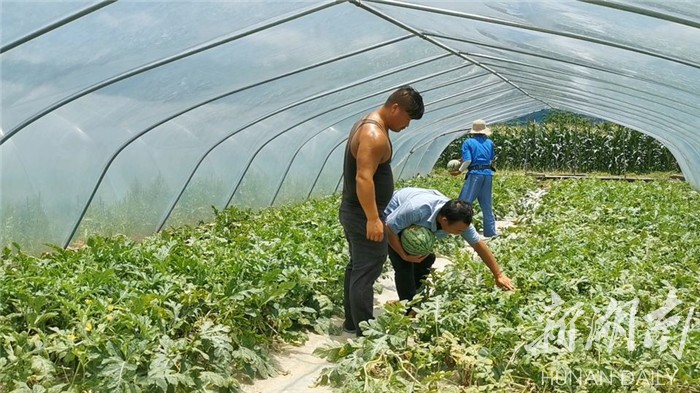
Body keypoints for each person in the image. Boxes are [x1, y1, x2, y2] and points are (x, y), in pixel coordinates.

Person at [339, 86, 425, 336]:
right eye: (408, 118)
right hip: (363, 214)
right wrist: (373, 218)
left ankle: (352, 323)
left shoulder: (368, 123)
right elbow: (363, 178)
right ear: (395, 108)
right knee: (367, 269)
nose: (407, 125)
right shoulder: (374, 134)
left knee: (358, 267)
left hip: (358, 212)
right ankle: (365, 333)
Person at [384, 187, 514, 306]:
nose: (461, 233)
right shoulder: (416, 210)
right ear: (444, 220)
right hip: (395, 212)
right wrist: (403, 255)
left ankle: (411, 298)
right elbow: (389, 227)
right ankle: (408, 308)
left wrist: (498, 275)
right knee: (403, 265)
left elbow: (478, 245)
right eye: (458, 231)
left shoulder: (460, 220)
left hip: (420, 207)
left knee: (426, 259)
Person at [452, 119, 498, 238]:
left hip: (475, 174)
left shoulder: (468, 142)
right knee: (486, 204)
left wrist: (459, 170)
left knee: (463, 204)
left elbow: (468, 160)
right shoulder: (489, 142)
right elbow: (490, 159)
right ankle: (491, 233)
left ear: (473, 131)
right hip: (487, 174)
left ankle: (459, 230)